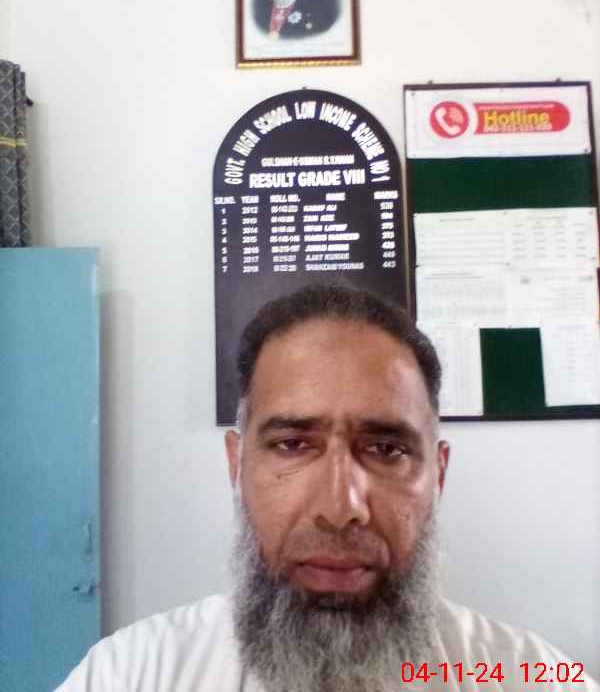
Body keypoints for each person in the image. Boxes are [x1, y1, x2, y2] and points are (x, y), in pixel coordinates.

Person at [56, 284, 599, 692]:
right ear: (236, 465)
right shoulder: (129, 675)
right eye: (293, 444)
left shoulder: (530, 676)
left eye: (386, 449)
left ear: (438, 475)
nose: (341, 508)